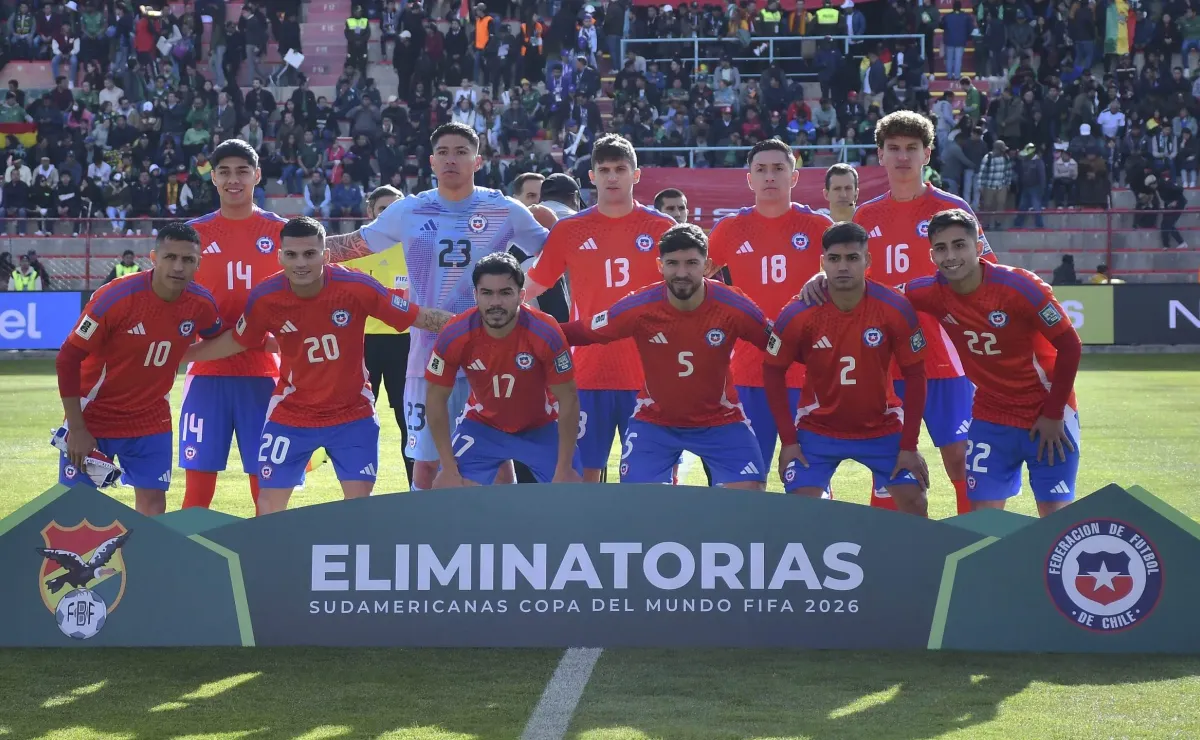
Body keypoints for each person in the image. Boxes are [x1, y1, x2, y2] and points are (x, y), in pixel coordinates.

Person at [320, 122, 556, 491]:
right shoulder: (409, 210)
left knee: (498, 462)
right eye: (443, 152)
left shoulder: (503, 208)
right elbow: (353, 245)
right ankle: (425, 541)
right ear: (431, 161)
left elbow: (553, 248)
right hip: (429, 356)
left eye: (461, 152)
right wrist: (289, 245)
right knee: (426, 464)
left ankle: (503, 540)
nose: (452, 159)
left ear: (477, 161)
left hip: (492, 356)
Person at [182, 217, 453, 514]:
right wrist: (182, 355)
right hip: (291, 414)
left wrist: (477, 326)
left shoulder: (356, 286)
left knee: (359, 512)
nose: (301, 263)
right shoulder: (265, 297)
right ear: (279, 256)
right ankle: (271, 561)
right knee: (269, 508)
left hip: (352, 415)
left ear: (325, 255)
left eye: (310, 254)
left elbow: (420, 317)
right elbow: (240, 339)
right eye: (292, 254)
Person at [803, 110, 994, 514]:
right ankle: (890, 554)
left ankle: (971, 545)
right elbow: (846, 274)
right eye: (894, 148)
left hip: (945, 357)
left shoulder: (953, 208)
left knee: (959, 457)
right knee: (886, 463)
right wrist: (818, 280)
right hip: (883, 357)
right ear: (880, 154)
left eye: (911, 148)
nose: (902, 156)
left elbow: (988, 272)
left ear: (927, 153)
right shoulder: (867, 216)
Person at [561, 223, 771, 489]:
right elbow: (584, 331)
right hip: (655, 423)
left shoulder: (733, 305)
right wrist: (527, 325)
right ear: (660, 265)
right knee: (642, 506)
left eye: (691, 263)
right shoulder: (640, 306)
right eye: (673, 263)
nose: (682, 273)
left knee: (750, 497)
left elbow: (778, 344)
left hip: (722, 421)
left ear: (707, 265)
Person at [903, 209, 1081, 517]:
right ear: (931, 254)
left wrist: (1053, 415)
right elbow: (878, 297)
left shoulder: (1021, 288)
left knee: (1057, 522)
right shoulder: (929, 292)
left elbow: (1070, 346)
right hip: (991, 415)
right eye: (941, 248)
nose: (951, 256)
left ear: (978, 247)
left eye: (960, 245)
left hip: (1047, 413)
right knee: (984, 520)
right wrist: (820, 280)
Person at [523, 135, 676, 483]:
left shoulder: (662, 229)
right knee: (584, 477)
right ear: (591, 176)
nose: (612, 177)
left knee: (651, 481)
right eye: (604, 170)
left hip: (650, 375)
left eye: (620, 169)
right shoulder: (570, 230)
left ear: (636, 174)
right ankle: (586, 539)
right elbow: (533, 286)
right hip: (590, 372)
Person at [54, 223, 223, 515]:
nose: (178, 266)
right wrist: (77, 428)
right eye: (170, 257)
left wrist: (270, 341)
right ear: (154, 257)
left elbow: (217, 340)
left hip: (150, 418)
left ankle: (146, 562)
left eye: (188, 259)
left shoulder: (201, 304)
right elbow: (67, 358)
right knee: (75, 508)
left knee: (154, 505)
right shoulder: (115, 298)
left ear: (199, 263)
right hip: (95, 416)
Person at [765, 221, 931, 515]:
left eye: (852, 258)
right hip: (818, 428)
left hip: (882, 427)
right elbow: (773, 369)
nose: (843, 266)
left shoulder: (893, 307)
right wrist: (789, 442)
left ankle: (912, 561)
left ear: (867, 261)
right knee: (798, 509)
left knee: (915, 501)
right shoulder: (798, 312)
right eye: (834, 258)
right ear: (822, 262)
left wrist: (909, 445)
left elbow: (916, 374)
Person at [707, 138, 833, 469]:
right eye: (761, 170)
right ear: (749, 178)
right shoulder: (730, 229)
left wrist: (828, 278)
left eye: (778, 169)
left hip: (808, 370)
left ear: (794, 176)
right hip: (748, 370)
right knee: (748, 475)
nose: (769, 177)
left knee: (810, 476)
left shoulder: (820, 227)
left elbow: (858, 278)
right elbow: (694, 279)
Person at [179, 139, 289, 513]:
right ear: (213, 178)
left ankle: (267, 565)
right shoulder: (193, 234)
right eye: (224, 171)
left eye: (242, 171)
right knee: (197, 492)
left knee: (267, 488)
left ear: (257, 175)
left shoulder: (281, 232)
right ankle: (185, 566)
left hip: (264, 375)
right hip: (207, 373)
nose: (233, 179)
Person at [427, 253, 583, 487]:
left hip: (540, 427)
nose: (495, 302)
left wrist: (563, 469)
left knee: (569, 493)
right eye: (487, 293)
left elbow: (568, 399)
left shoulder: (545, 331)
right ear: (475, 295)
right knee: (448, 490)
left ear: (521, 296)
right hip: (482, 425)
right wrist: (448, 468)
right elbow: (435, 399)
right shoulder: (455, 333)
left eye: (505, 293)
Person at [338, 185, 414, 487]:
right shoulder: (354, 248)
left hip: (405, 343)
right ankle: (355, 490)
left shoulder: (416, 246)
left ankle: (416, 488)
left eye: (396, 207)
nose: (390, 214)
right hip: (361, 343)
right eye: (383, 209)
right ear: (371, 212)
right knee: (357, 419)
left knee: (409, 420)